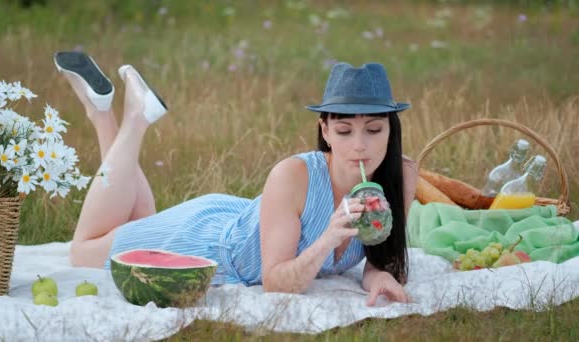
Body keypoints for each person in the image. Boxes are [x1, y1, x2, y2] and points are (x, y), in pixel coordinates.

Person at [55, 52, 418, 306]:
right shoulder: (294, 175)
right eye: (344, 131)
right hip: (204, 243)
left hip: (242, 219)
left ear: (391, 128)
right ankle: (135, 119)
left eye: (373, 129)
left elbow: (381, 257)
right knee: (83, 250)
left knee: (138, 221)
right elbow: (275, 283)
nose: (359, 146)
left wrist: (380, 277)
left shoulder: (400, 176)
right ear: (324, 129)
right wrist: (327, 239)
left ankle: (100, 109)